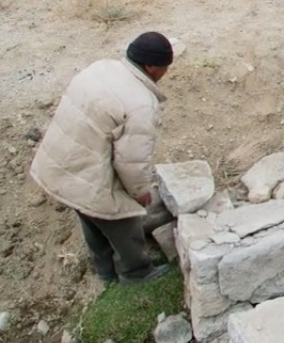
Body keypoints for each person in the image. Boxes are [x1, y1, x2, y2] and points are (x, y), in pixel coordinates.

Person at [29, 32, 175, 285]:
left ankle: (106, 272)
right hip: (87, 172)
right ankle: (136, 273)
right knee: (124, 221)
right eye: (165, 67)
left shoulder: (100, 68)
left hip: (59, 163)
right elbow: (132, 160)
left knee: (89, 216)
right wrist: (139, 191)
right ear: (151, 67)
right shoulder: (141, 104)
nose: (166, 73)